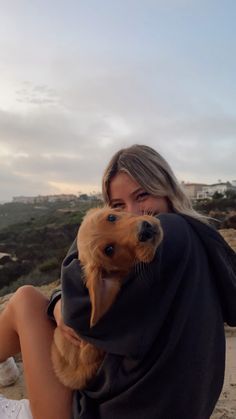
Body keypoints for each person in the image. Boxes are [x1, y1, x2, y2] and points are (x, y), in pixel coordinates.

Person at [0, 144, 235, 419]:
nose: (134, 215)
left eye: (142, 195)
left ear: (166, 188)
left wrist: (59, 300)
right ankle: (5, 368)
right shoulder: (200, 242)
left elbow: (78, 309)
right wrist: (57, 298)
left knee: (26, 299)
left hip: (94, 412)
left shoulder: (169, 234)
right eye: (118, 206)